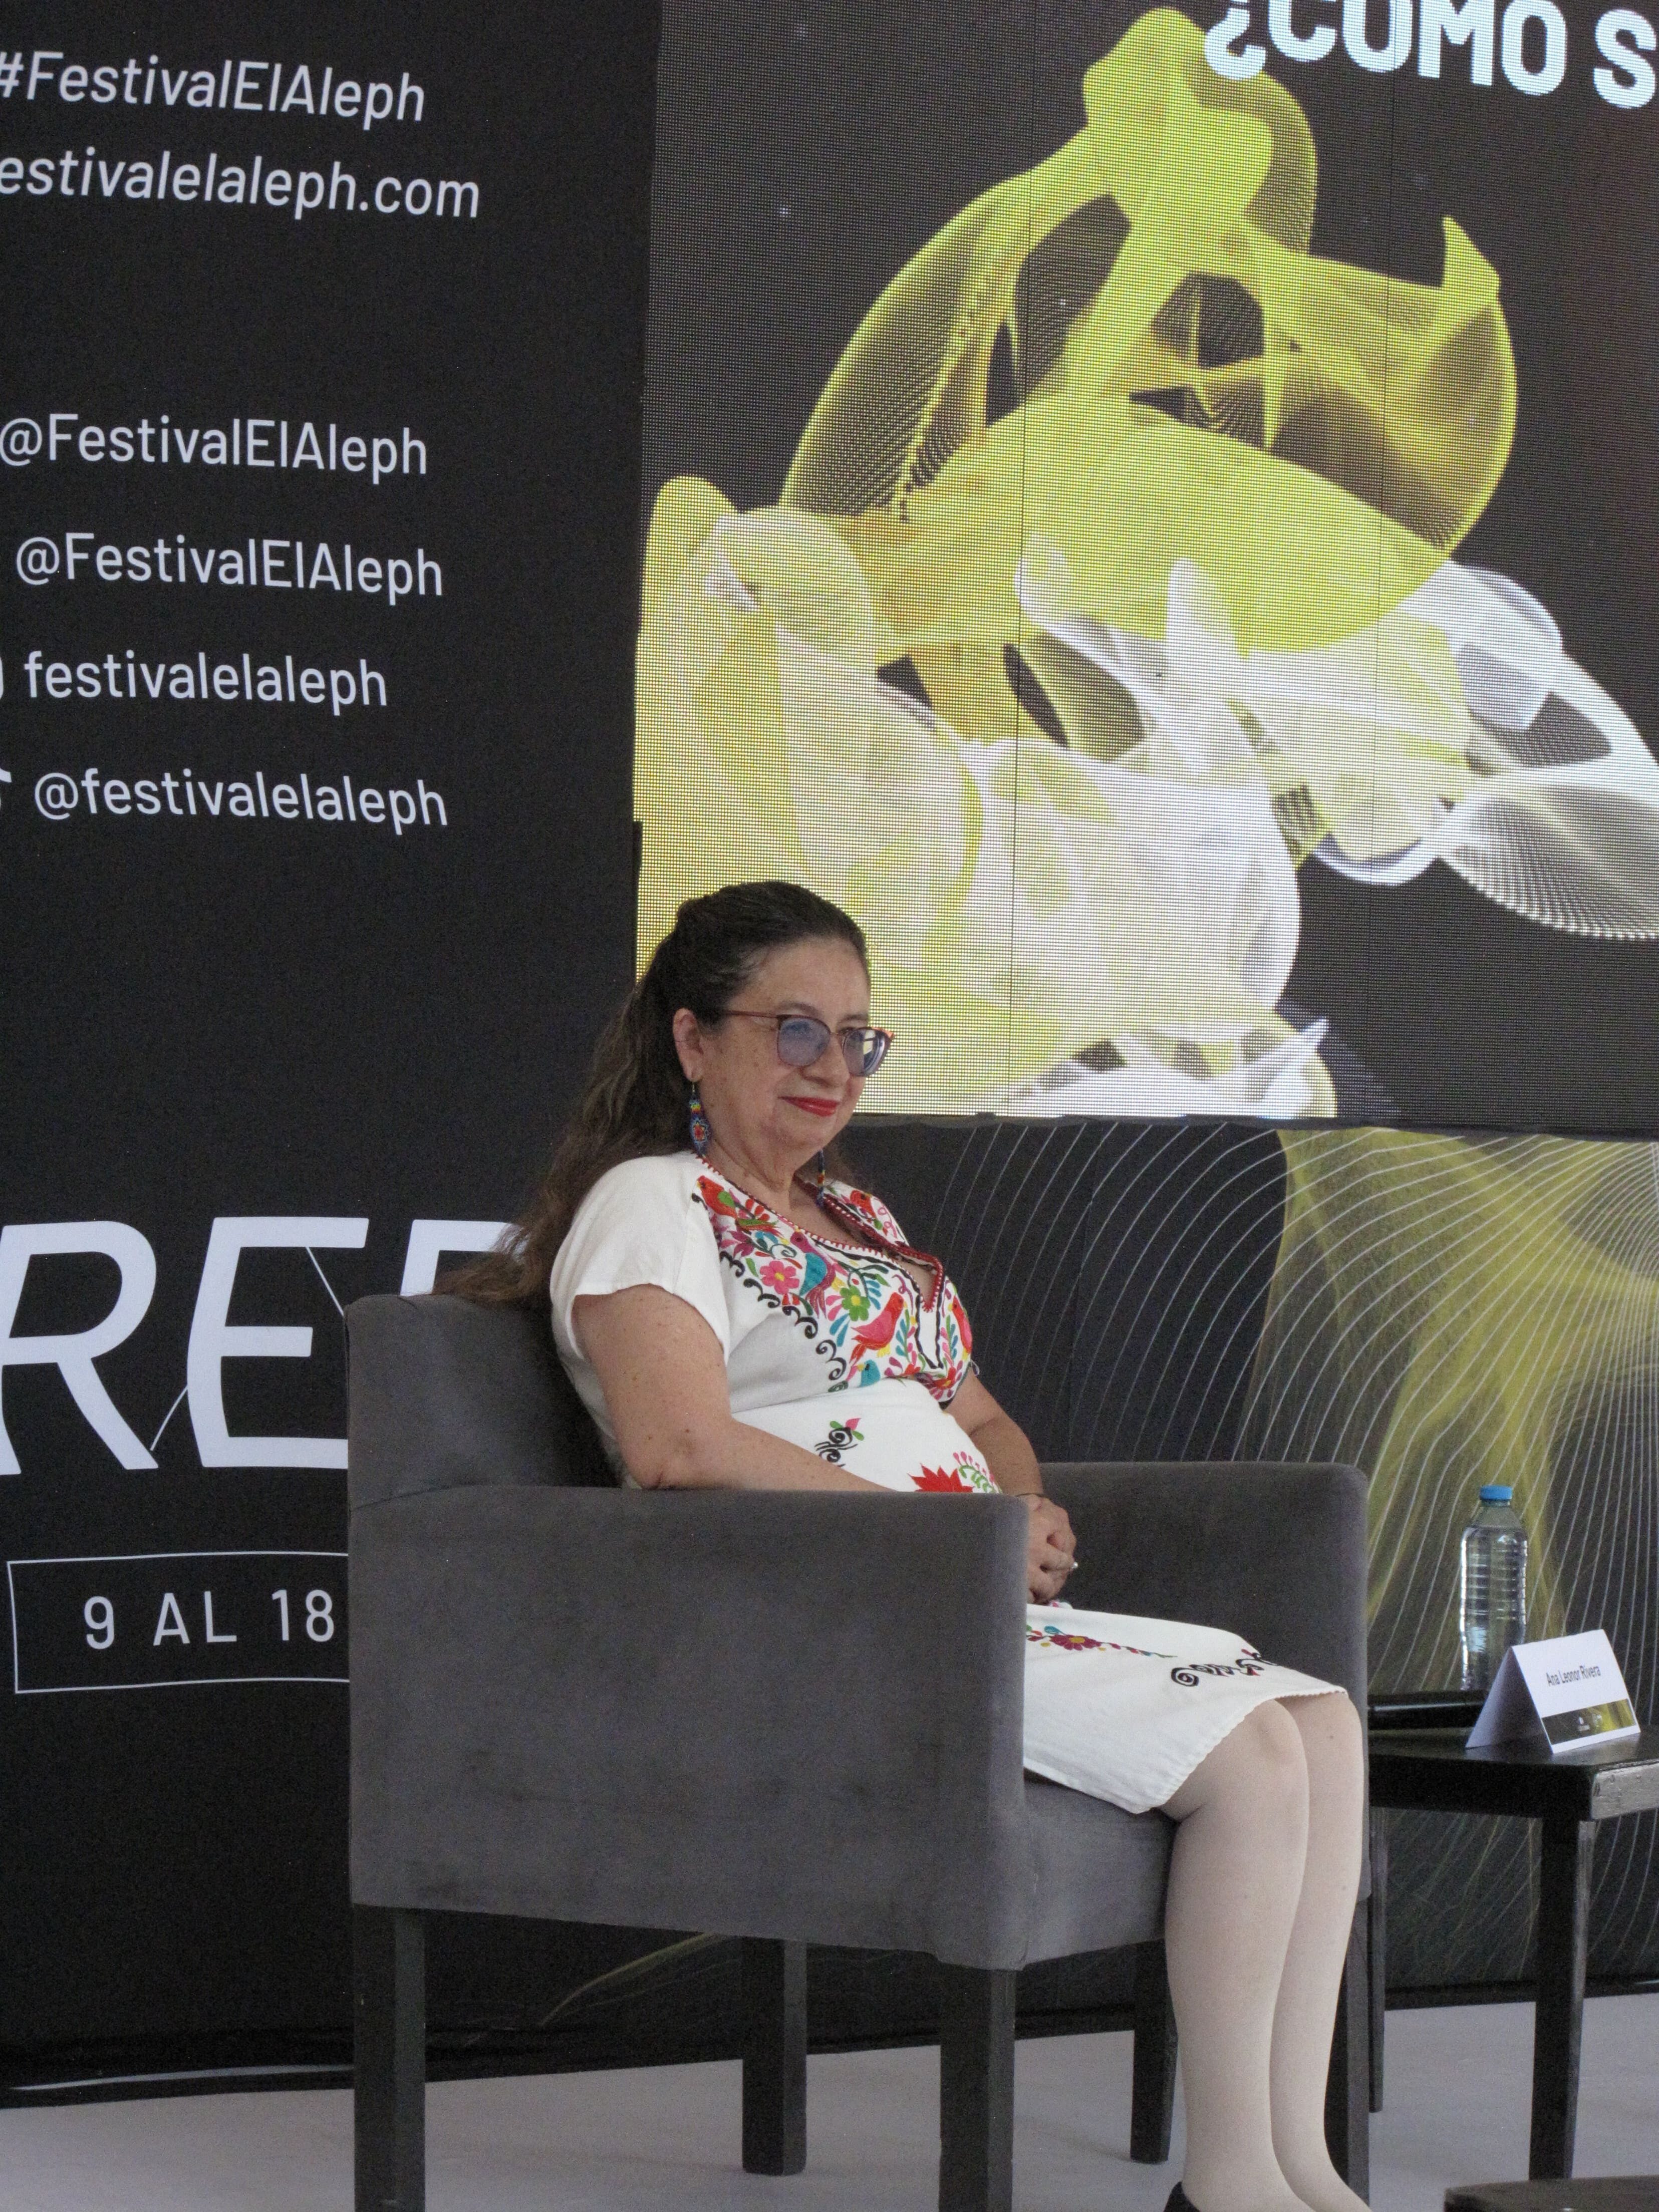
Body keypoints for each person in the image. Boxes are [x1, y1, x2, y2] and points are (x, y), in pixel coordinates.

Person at [456, 879, 1366, 2212]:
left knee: (1323, 1724)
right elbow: (678, 1446)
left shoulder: (859, 1222)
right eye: (794, 1030)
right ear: (693, 1039)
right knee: (1252, 1758)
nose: (832, 1067)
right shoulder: (654, 1202)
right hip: (838, 1623)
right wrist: (957, 1533)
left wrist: (1020, 1507)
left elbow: (983, 1419)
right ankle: (1232, 2184)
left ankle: (1301, 2167)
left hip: (968, 1596)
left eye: (857, 1037)